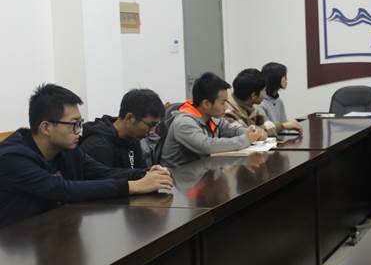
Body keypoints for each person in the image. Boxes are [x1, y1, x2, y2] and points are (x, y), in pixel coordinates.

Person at [0, 84, 173, 228]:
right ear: (46, 127)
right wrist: (133, 186)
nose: (79, 131)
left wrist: (145, 174)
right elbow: (63, 190)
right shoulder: (12, 158)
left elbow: (102, 172)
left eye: (80, 123)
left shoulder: (66, 148)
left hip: (55, 232)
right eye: (74, 124)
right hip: (15, 245)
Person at [161, 72, 264, 167]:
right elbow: (208, 146)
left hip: (202, 171)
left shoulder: (212, 117)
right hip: (178, 176)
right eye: (223, 103)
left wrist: (252, 132)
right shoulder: (184, 122)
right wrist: (246, 139)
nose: (226, 107)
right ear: (206, 104)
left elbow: (232, 130)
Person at [80, 89, 165, 169]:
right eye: (150, 125)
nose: (152, 132)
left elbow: (140, 172)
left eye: (156, 126)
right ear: (130, 118)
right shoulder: (98, 147)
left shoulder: (132, 139)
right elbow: (103, 180)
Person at [225, 68, 302, 135]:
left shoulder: (252, 106)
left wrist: (284, 126)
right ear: (253, 95)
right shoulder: (227, 111)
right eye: (264, 90)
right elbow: (248, 134)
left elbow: (265, 127)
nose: (266, 95)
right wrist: (284, 126)